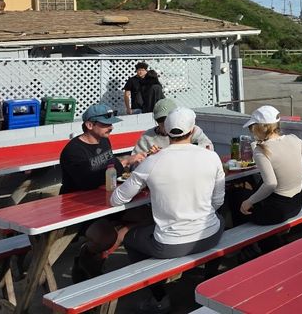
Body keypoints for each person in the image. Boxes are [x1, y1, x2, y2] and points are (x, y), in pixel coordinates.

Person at [111, 107, 226, 313]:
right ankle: (209, 283)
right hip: (210, 235)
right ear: (192, 130)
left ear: (166, 130)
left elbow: (117, 199)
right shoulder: (211, 156)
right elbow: (218, 201)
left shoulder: (152, 161)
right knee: (220, 218)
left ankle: (159, 296)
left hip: (170, 243)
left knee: (128, 237)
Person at [59, 103, 147, 281]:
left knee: (148, 218)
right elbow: (86, 182)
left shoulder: (104, 140)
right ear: (89, 125)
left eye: (111, 124)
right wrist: (124, 162)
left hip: (105, 198)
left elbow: (108, 168)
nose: (111, 127)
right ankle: (86, 258)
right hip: (77, 205)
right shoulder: (73, 151)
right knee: (106, 236)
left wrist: (121, 165)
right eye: (105, 124)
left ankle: (100, 258)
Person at [238, 105, 302, 224]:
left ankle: (252, 240)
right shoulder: (293, 139)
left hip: (276, 211)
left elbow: (271, 184)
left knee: (237, 198)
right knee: (257, 186)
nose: (251, 129)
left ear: (260, 128)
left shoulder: (261, 150)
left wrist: (248, 202)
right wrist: (300, 179)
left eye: (252, 127)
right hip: (296, 204)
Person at [132, 98, 213, 155]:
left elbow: (209, 148)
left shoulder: (191, 130)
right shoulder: (147, 137)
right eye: (160, 119)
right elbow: (134, 162)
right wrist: (149, 157)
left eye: (167, 119)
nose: (164, 123)